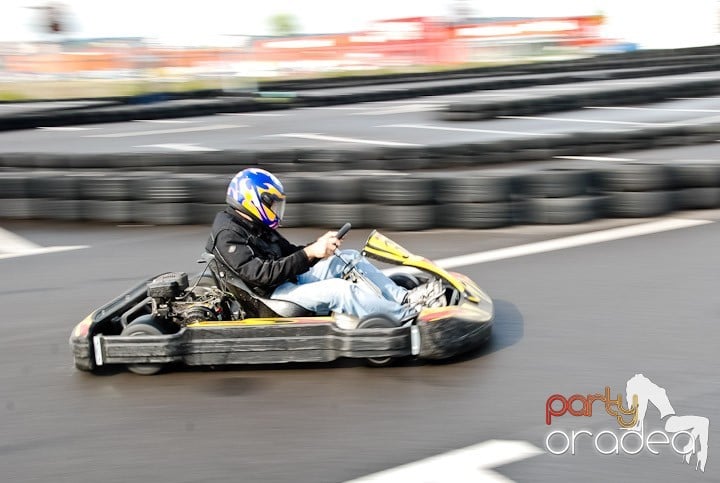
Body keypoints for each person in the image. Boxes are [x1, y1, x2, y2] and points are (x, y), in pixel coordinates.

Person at [205, 168, 444, 322]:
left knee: (348, 258)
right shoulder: (229, 235)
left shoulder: (254, 224)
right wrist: (310, 253)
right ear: (253, 200)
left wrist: (319, 247)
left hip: (285, 281)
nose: (275, 210)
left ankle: (404, 299)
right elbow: (261, 275)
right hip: (271, 297)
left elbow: (290, 254)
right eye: (272, 204)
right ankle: (410, 317)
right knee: (340, 289)